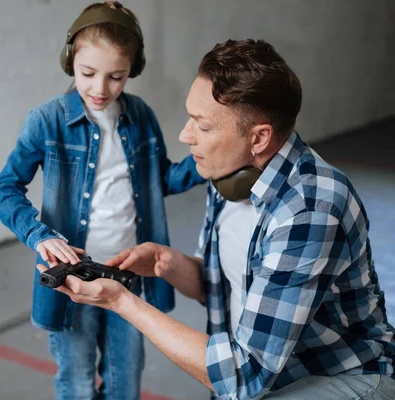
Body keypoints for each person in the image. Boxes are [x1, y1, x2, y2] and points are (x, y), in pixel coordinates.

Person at [38, 39, 395, 399]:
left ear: (258, 138)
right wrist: (168, 263)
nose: (185, 135)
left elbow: (244, 376)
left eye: (202, 125)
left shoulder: (309, 209)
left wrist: (121, 301)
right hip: (276, 372)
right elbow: (222, 289)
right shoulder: (229, 172)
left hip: (346, 376)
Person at [0, 2, 205, 398]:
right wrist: (39, 235)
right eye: (88, 73)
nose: (100, 89)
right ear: (70, 61)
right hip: (72, 279)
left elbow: (160, 181)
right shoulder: (46, 120)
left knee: (126, 383)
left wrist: (213, 156)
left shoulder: (140, 116)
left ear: (132, 71)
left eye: (116, 77)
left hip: (129, 277)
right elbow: (2, 190)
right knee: (78, 383)